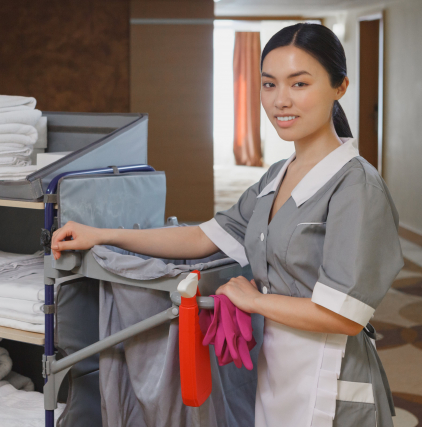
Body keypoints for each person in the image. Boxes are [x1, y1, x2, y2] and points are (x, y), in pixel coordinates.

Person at [51, 23, 403, 427]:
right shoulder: (276, 176)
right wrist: (104, 236)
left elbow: (345, 315)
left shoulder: (355, 184)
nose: (281, 100)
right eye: (269, 85)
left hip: (334, 382)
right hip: (277, 371)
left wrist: (253, 302)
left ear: (340, 86)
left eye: (299, 83)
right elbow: (203, 237)